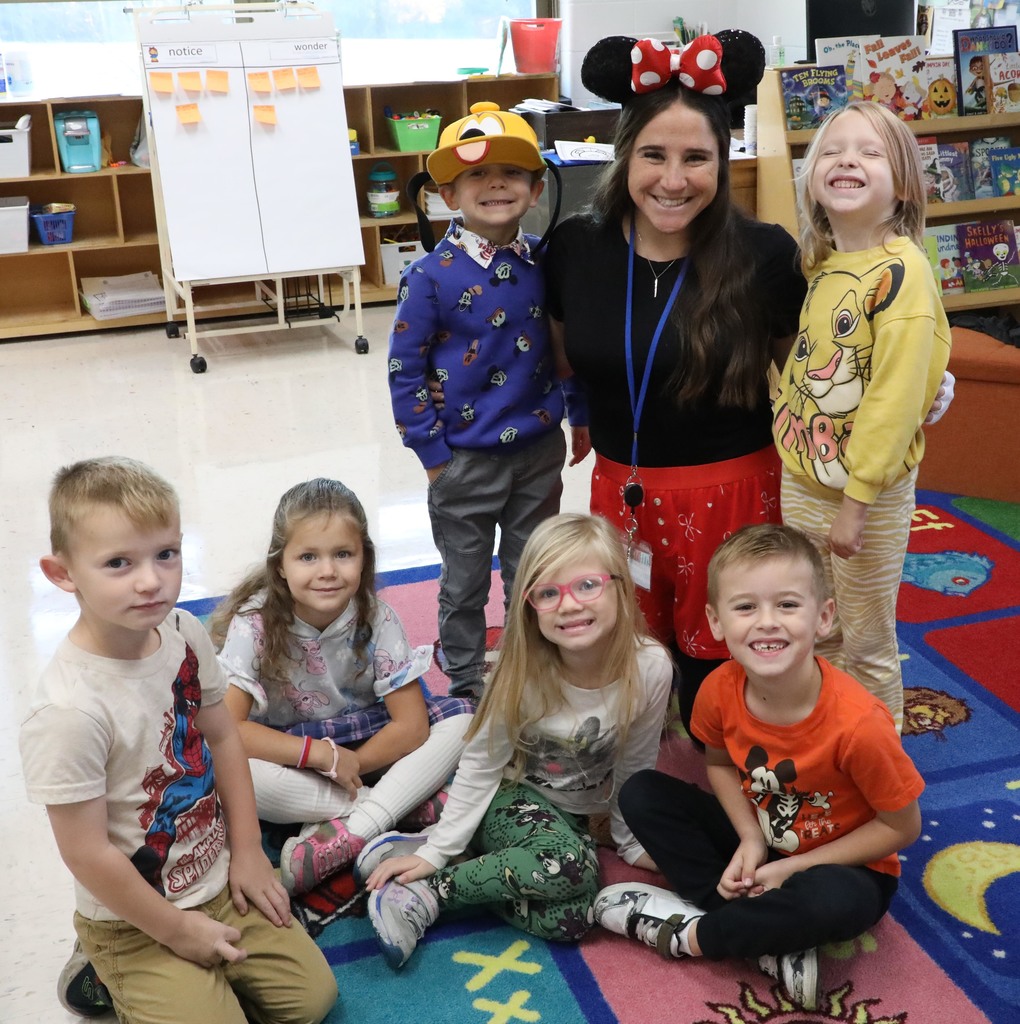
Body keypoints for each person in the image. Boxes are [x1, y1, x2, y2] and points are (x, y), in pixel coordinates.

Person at [544, 32, 807, 737]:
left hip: (737, 496)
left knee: (727, 684)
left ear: (723, 161)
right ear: (624, 154)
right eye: (654, 155)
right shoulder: (574, 248)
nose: (673, 178)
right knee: (628, 660)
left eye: (697, 158)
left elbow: (814, 376)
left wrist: (914, 389)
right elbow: (553, 357)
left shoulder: (764, 255)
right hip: (621, 493)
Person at [20, 456, 337, 1024]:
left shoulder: (183, 633)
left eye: (166, 553)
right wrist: (176, 930)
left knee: (313, 1003)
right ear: (62, 573)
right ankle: (99, 967)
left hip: (215, 879)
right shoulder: (68, 711)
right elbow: (86, 852)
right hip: (133, 920)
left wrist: (248, 853)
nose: (151, 580)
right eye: (118, 562)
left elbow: (224, 738)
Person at [593, 523, 924, 1011]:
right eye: (746, 607)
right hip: (764, 841)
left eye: (788, 605)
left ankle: (694, 934)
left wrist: (793, 868)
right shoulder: (717, 690)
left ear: (824, 617)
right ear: (716, 622)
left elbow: (902, 825)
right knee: (641, 793)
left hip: (841, 866)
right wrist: (750, 838)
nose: (767, 622)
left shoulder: (860, 725)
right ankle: (766, 937)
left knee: (832, 903)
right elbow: (720, 763)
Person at [353, 513, 674, 968]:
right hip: (508, 796)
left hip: (577, 819)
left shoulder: (652, 666)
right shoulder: (520, 674)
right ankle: (425, 892)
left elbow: (637, 762)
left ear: (622, 588)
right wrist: (436, 853)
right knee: (568, 868)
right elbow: (482, 763)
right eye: (548, 593)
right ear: (529, 607)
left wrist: (628, 838)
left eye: (587, 585)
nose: (569, 605)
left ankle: (463, 857)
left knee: (575, 918)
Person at [387, 101, 587, 701]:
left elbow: (561, 342)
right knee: (466, 579)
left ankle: (536, 666)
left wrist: (578, 413)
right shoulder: (429, 275)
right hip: (464, 461)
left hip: (538, 450)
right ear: (448, 192)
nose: (495, 183)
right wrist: (432, 453)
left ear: (533, 191)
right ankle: (468, 683)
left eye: (511, 173)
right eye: (477, 174)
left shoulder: (544, 263)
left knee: (534, 571)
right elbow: (404, 369)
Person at [772, 101, 952, 730]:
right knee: (817, 625)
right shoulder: (824, 264)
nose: (848, 159)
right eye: (833, 150)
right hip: (805, 479)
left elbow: (896, 398)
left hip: (863, 497)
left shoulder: (903, 272)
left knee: (868, 638)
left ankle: (878, 769)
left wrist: (858, 499)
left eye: (870, 152)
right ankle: (830, 742)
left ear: (901, 185)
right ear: (813, 178)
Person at [213, 477, 474, 895]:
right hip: (286, 752)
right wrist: (317, 755)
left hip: (367, 742)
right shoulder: (255, 623)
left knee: (465, 725)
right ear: (280, 565)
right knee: (220, 765)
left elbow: (410, 727)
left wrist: (351, 767)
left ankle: (350, 832)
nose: (328, 571)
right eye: (308, 557)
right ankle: (396, 811)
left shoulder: (379, 618)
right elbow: (228, 729)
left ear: (364, 560)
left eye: (343, 554)